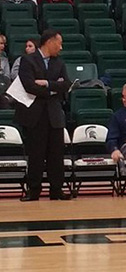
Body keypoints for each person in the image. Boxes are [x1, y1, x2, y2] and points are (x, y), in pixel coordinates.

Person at [14, 30, 71, 202]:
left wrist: (47, 84)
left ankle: (56, 189)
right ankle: (34, 190)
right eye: (59, 43)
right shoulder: (28, 60)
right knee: (36, 154)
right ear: (49, 42)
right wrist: (54, 88)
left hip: (54, 114)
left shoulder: (59, 63)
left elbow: (66, 85)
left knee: (56, 154)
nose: (61, 47)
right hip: (35, 114)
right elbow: (29, 86)